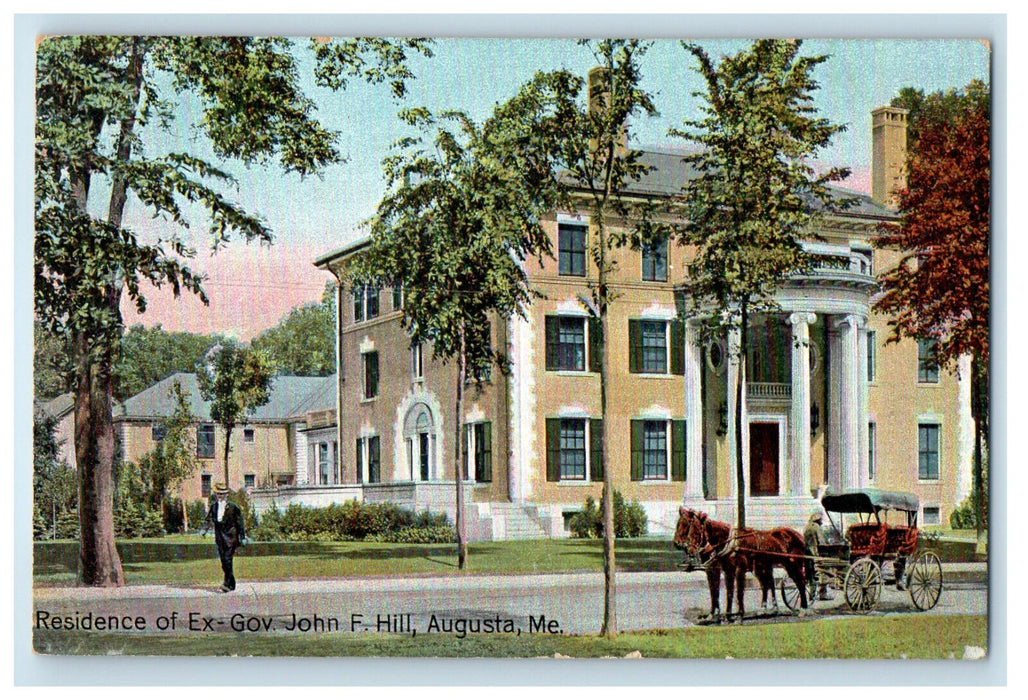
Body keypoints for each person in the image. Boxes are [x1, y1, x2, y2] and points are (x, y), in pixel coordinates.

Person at [203, 483, 246, 592]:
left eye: (222, 494)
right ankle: (232, 583)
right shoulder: (214, 506)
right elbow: (209, 519)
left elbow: (240, 522)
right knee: (224, 561)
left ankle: (226, 584)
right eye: (218, 494)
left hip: (231, 537)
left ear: (226, 495)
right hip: (219, 537)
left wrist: (243, 536)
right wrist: (205, 529)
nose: (220, 496)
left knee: (227, 559)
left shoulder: (233, 507)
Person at [803, 511, 830, 601]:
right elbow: (821, 541)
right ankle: (823, 594)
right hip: (816, 553)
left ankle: (811, 594)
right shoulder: (816, 527)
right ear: (818, 520)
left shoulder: (806, 527)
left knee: (810, 574)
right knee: (823, 571)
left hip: (807, 553)